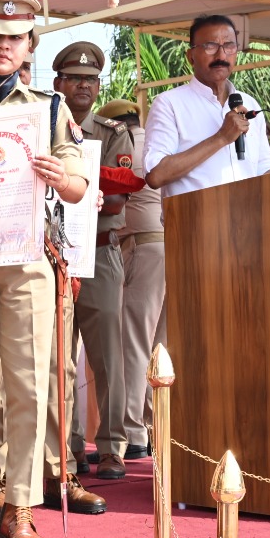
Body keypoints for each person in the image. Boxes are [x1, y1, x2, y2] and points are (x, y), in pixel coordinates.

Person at [0, 0, 94, 538]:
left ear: (29, 47)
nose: (2, 46)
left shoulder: (48, 107)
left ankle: (19, 504)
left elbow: (79, 186)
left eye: (14, 39)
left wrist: (59, 174)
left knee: (27, 382)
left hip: (27, 254)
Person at [47, 43, 141, 483]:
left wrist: (65, 191)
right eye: (74, 78)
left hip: (100, 252)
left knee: (107, 357)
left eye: (91, 80)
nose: (83, 86)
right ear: (58, 85)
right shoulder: (44, 126)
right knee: (59, 358)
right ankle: (68, 448)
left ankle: (112, 447)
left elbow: (117, 197)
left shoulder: (112, 132)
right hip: (53, 257)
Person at [142, 15, 270, 196]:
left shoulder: (249, 103)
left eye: (229, 46)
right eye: (210, 46)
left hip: (250, 220)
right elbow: (156, 175)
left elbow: (264, 163)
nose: (221, 55)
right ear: (190, 56)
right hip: (195, 221)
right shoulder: (169, 104)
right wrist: (222, 138)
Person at [103, 100, 165, 460]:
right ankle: (158, 427)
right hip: (172, 248)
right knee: (162, 347)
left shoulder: (124, 146)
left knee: (134, 345)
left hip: (141, 249)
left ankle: (133, 433)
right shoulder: (159, 143)